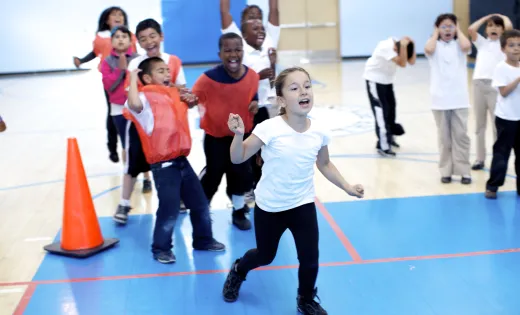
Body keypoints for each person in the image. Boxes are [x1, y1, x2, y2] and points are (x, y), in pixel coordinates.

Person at [221, 67, 364, 315]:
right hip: (271, 208)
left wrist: (348, 187)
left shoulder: (319, 131)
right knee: (265, 256)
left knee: (310, 259)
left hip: (303, 205)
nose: (303, 91)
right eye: (294, 88)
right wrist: (237, 134)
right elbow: (238, 157)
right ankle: (238, 270)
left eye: (307, 86)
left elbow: (325, 164)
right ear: (281, 100)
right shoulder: (269, 128)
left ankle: (305, 299)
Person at [124, 57, 225, 263]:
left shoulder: (173, 95)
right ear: (147, 77)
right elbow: (132, 103)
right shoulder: (143, 98)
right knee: (169, 210)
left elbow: (192, 103)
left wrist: (190, 99)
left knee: (200, 203)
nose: (167, 74)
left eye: (167, 70)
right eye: (161, 71)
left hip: (181, 161)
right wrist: (133, 80)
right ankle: (161, 248)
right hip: (163, 166)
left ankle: (203, 239)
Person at [192, 32, 259, 231]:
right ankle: (202, 211)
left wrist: (255, 103)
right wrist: (185, 98)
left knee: (240, 174)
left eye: (237, 49)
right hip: (215, 138)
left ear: (243, 51)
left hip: (241, 137)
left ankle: (238, 211)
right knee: (213, 175)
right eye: (227, 50)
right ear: (219, 53)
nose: (233, 54)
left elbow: (252, 96)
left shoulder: (252, 76)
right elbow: (192, 98)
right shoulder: (207, 79)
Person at [73, 6, 138, 163]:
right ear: (106, 19)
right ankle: (113, 147)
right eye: (114, 14)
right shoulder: (101, 37)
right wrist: (81, 60)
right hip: (111, 79)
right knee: (113, 112)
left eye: (121, 14)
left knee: (134, 110)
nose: (118, 16)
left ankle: (133, 149)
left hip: (130, 78)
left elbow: (135, 54)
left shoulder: (130, 36)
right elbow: (95, 53)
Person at [101, 25, 151, 223]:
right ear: (111, 41)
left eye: (124, 36)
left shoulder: (139, 59)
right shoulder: (107, 62)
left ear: (130, 40)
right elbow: (110, 87)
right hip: (118, 110)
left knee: (148, 146)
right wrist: (122, 72)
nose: (120, 40)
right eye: (117, 37)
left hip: (140, 111)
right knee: (127, 147)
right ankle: (130, 182)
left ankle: (147, 178)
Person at [424, 13, 472, 184]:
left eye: (451, 26)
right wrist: (436, 33)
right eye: (443, 26)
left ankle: (464, 171)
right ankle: (446, 171)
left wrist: (458, 29)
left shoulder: (460, 45)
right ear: (437, 28)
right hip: (439, 100)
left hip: (460, 99)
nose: (448, 29)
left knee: (461, 136)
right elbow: (428, 50)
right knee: (444, 139)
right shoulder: (434, 46)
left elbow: (467, 46)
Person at [468, 14, 512, 170]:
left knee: (496, 126)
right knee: (480, 125)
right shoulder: (482, 43)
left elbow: (509, 28)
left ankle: (497, 159)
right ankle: (480, 159)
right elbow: (471, 29)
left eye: (497, 26)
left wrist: (502, 17)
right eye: (490, 25)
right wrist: (486, 18)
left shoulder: (504, 45)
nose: (493, 28)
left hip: (495, 88)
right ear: (486, 29)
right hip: (479, 85)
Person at [363, 36, 416, 156]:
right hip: (374, 80)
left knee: (391, 110)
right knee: (381, 112)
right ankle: (383, 146)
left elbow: (411, 62)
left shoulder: (399, 46)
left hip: (387, 81)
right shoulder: (385, 46)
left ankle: (390, 138)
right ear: (397, 49)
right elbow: (403, 64)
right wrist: (403, 46)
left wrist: (413, 44)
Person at [485, 29, 520, 199]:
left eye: (519, 45)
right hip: (506, 118)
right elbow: (504, 92)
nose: (516, 49)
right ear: (503, 49)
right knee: (501, 154)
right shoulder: (501, 68)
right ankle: (493, 186)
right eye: (511, 45)